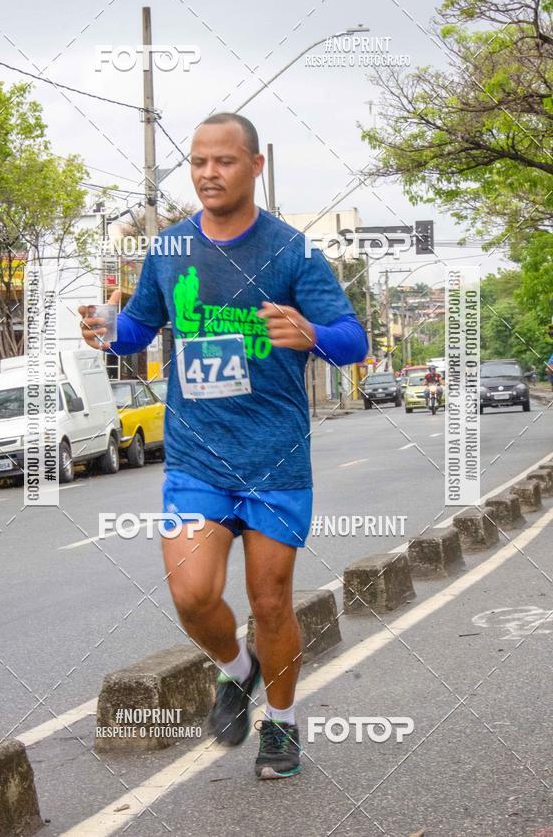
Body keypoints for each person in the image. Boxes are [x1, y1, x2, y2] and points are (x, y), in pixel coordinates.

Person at [79, 112, 368, 780]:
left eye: (224, 161)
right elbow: (136, 331)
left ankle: (284, 728)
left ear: (255, 165)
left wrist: (311, 333)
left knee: (270, 602)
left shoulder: (293, 251)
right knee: (191, 596)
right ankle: (238, 672)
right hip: (197, 458)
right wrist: (106, 327)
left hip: (274, 459)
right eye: (199, 162)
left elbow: (354, 340)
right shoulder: (170, 250)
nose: (209, 173)